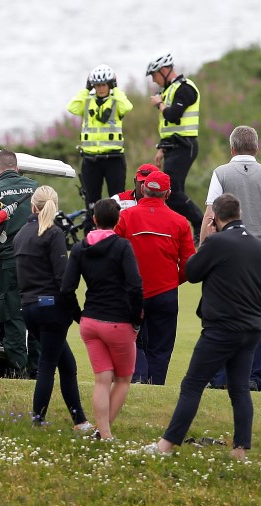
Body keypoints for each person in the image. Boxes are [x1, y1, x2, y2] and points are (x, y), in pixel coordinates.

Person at [144, 193, 261, 460]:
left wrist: (205, 238)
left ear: (215, 218)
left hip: (222, 328)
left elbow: (192, 273)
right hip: (251, 329)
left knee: (192, 384)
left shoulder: (216, 243)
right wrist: (255, 321)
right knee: (238, 388)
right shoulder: (260, 247)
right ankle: (240, 450)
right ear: (239, 215)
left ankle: (167, 444)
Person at [201, 125, 261, 392]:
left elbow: (210, 214)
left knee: (223, 312)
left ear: (232, 148)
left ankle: (221, 378)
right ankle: (254, 378)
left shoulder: (221, 172)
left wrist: (204, 249)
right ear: (256, 148)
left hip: (227, 250)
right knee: (259, 315)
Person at [61, 198, 143, 440]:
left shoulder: (79, 248)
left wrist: (79, 316)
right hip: (118, 321)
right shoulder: (122, 246)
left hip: (90, 322)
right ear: (118, 221)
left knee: (101, 380)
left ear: (94, 219)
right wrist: (137, 318)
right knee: (123, 379)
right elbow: (135, 286)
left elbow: (66, 290)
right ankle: (103, 432)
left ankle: (103, 433)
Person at [14, 186, 92, 431]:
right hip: (51, 309)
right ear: (54, 206)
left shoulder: (21, 235)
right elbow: (63, 280)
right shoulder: (53, 234)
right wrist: (77, 313)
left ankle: (80, 421)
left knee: (67, 365)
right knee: (48, 364)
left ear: (32, 206)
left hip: (29, 308)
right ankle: (37, 420)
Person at [114, 171, 196, 385]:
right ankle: (155, 385)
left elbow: (112, 253)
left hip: (132, 293)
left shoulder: (125, 217)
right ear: (167, 193)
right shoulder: (180, 222)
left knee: (133, 339)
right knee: (161, 345)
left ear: (143, 189)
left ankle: (138, 378)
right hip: (165, 293)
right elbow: (189, 264)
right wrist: (172, 281)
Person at [0, 149, 40, 376]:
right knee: (38, 313)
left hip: (10, 263)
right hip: (39, 265)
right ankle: (38, 370)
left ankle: (17, 370)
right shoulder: (37, 189)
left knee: (13, 314)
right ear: (17, 168)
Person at [67, 64, 134, 230]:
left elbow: (127, 107)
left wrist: (116, 89)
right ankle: (91, 236)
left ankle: (119, 233)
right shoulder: (87, 101)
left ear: (110, 85)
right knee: (91, 202)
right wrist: (85, 89)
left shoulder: (116, 102)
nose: (101, 88)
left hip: (114, 159)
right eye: (97, 85)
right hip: (91, 160)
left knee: (117, 200)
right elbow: (72, 107)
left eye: (104, 84)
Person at [146, 51, 203, 242]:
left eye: (154, 75)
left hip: (185, 146)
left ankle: (200, 223)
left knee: (170, 191)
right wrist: (161, 148)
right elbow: (169, 127)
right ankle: (183, 232)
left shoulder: (185, 88)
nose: (154, 80)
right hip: (172, 146)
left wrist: (160, 104)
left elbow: (173, 115)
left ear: (163, 70)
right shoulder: (169, 90)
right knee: (174, 191)